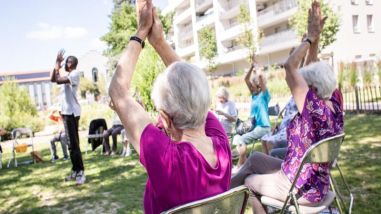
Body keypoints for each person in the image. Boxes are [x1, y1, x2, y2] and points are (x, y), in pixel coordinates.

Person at [108, 0, 231, 213]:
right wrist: (160, 42)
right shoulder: (221, 146)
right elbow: (192, 84)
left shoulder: (167, 160)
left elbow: (118, 91)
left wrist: (142, 30)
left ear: (165, 120)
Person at [231, 2, 344, 213]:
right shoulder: (333, 104)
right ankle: (223, 191)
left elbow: (290, 66)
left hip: (300, 186)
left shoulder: (313, 110)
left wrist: (309, 38)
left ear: (311, 89)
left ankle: (221, 196)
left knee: (250, 182)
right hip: (311, 179)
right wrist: (316, 40)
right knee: (255, 158)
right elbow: (311, 67)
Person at [50, 50, 85, 186]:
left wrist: (58, 66)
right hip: (66, 113)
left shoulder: (74, 74)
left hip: (72, 113)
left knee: (74, 144)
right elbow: (53, 79)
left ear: (70, 64)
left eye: (65, 62)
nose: (64, 64)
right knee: (70, 145)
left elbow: (58, 80)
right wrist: (56, 65)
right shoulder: (68, 75)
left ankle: (81, 172)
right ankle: (75, 170)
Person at [231, 55, 271, 174]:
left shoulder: (264, 95)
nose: (251, 87)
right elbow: (246, 79)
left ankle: (240, 165)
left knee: (242, 139)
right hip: (253, 126)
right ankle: (245, 160)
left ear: (259, 85)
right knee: (237, 137)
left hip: (263, 128)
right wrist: (252, 66)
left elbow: (260, 77)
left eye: (253, 85)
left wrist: (257, 65)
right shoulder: (254, 95)